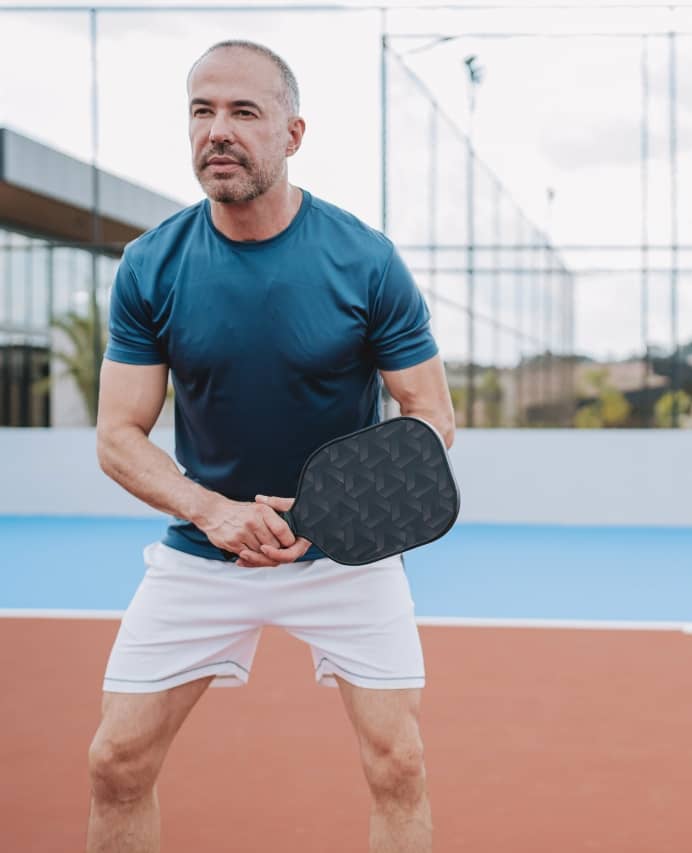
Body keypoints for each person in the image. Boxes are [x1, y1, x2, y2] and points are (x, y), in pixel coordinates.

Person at [87, 40, 454, 853]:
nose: (218, 130)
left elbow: (430, 415)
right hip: (203, 551)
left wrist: (339, 509)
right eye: (202, 110)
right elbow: (118, 435)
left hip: (347, 556)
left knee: (399, 763)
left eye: (243, 112)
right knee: (116, 760)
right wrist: (210, 510)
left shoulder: (364, 259)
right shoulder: (152, 264)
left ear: (292, 134)